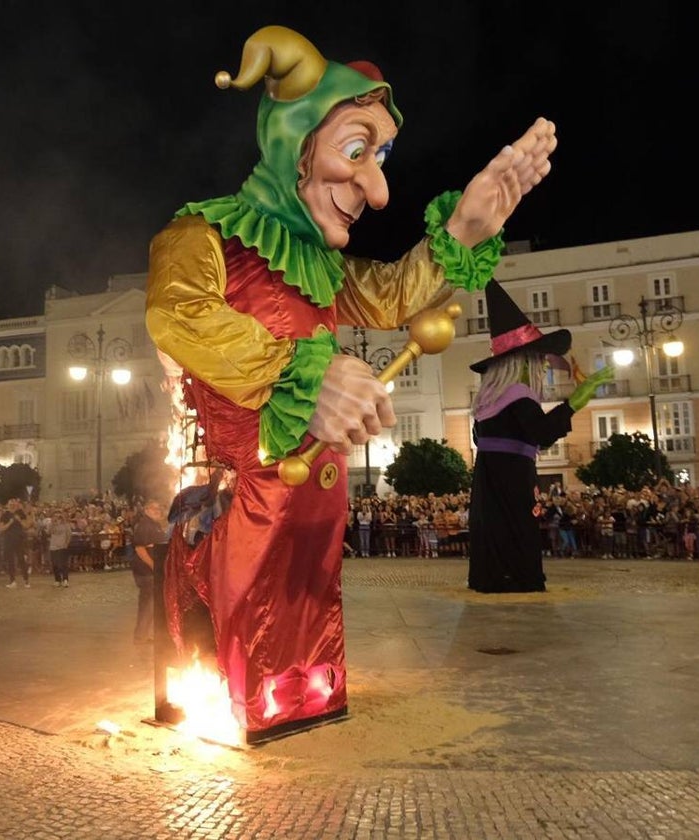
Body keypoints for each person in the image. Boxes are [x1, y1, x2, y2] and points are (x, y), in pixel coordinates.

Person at [146, 25, 557, 737]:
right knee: (244, 606)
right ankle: (231, 693)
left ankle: (304, 691)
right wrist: (299, 368)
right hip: (241, 499)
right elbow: (178, 314)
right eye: (357, 152)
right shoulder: (199, 237)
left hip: (316, 499)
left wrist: (464, 227)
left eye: (383, 156)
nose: (378, 188)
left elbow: (398, 294)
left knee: (309, 604)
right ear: (292, 147)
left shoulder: (325, 268)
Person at [466, 281, 612, 593]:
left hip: (489, 476)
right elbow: (542, 434)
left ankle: (491, 576)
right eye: (540, 356)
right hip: (514, 476)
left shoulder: (488, 401)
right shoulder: (520, 395)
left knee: (492, 526)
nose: (545, 362)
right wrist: (574, 402)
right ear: (525, 360)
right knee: (518, 525)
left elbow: (488, 439)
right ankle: (518, 577)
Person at [131, 499, 167, 644]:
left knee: (151, 604)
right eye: (154, 509)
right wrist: (153, 566)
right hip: (146, 572)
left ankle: (144, 635)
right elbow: (140, 548)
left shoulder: (154, 525)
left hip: (150, 571)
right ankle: (140, 637)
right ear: (146, 510)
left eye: (159, 509)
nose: (158, 511)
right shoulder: (144, 526)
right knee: (147, 604)